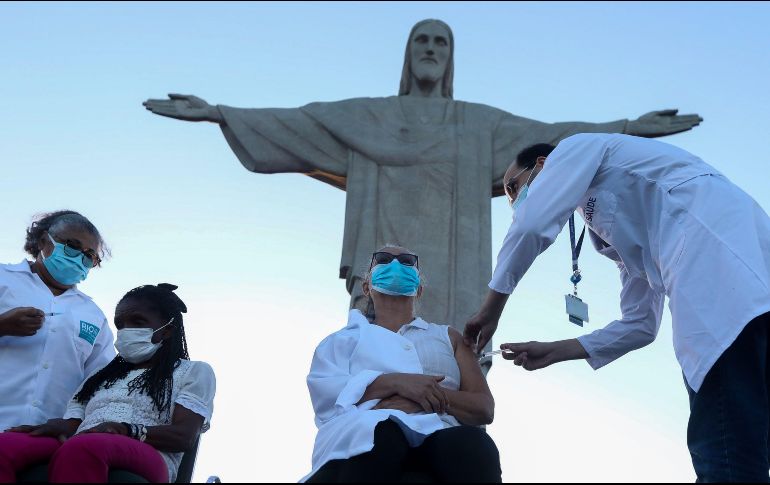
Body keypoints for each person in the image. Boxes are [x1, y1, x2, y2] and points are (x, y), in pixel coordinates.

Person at [143, 19, 702, 338]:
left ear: (450, 58)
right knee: (377, 346)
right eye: (422, 41)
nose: (431, 50)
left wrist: (630, 127)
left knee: (454, 353)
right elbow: (301, 123)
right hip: (387, 248)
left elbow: (552, 136)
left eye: (440, 42)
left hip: (456, 264)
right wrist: (219, 112)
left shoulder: (476, 123)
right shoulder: (371, 115)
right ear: (408, 55)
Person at [464, 133, 770, 482]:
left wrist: (491, 308)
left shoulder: (576, 148)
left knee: (726, 451)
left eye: (513, 188)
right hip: (745, 282)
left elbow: (532, 224)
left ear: (542, 166)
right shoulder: (616, 222)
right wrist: (554, 351)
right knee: (753, 444)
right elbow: (640, 323)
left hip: (717, 280)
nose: (515, 202)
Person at [304, 246, 502, 483]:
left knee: (474, 446)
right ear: (366, 286)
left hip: (441, 432)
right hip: (365, 434)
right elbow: (327, 397)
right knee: (380, 435)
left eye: (407, 261)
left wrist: (428, 395)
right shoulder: (340, 341)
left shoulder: (448, 337)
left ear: (418, 289)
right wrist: (397, 383)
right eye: (384, 259)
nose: (396, 265)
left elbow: (483, 407)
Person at [0, 283, 216, 483]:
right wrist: (54, 426)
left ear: (167, 330)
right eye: (120, 325)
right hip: (84, 440)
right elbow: (75, 423)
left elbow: (183, 437)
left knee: (84, 448)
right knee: (5, 445)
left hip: (149, 452)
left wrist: (124, 430)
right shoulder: (101, 375)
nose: (125, 331)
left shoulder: (193, 372)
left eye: (137, 322)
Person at [0, 211, 115, 432]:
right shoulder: (4, 278)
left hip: (46, 443)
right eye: (72, 246)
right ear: (44, 241)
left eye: (89, 256)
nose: (79, 257)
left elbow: (100, 383)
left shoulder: (93, 315)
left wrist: (73, 427)